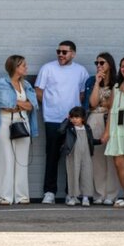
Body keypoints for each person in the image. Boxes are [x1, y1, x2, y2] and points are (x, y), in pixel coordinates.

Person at [34, 40, 90, 204]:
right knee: (52, 155)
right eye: (58, 51)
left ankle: (71, 193)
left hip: (73, 122)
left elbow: (82, 94)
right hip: (52, 119)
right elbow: (38, 91)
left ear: (73, 54)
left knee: (73, 157)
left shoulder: (81, 71)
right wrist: (50, 105)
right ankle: (49, 192)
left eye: (64, 52)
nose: (60, 54)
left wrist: (75, 115)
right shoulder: (47, 68)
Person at [0, 55, 39, 205]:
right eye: (23, 65)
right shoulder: (1, 83)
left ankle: (21, 196)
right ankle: (5, 196)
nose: (26, 68)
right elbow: (5, 104)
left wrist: (19, 104)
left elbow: (32, 105)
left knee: (22, 160)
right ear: (15, 67)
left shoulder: (26, 84)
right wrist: (22, 103)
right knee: (6, 159)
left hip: (23, 121)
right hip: (5, 121)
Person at [85, 53, 120, 205]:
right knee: (97, 158)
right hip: (95, 118)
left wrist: (106, 104)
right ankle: (99, 193)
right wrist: (97, 83)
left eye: (102, 63)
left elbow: (113, 105)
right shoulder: (92, 81)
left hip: (111, 119)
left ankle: (111, 194)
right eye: (96, 63)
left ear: (109, 64)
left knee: (111, 158)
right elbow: (92, 103)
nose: (98, 65)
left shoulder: (117, 82)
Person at [102, 56, 124, 208]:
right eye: (123, 66)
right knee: (118, 163)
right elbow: (111, 110)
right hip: (117, 128)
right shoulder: (116, 87)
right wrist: (107, 131)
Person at [60, 107, 97, 206]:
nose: (74, 119)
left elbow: (91, 140)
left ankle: (85, 197)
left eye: (77, 117)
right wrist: (67, 120)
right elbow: (60, 131)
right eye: (72, 117)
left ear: (83, 118)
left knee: (87, 174)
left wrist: (100, 141)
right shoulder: (69, 128)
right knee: (73, 174)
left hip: (86, 154)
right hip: (72, 154)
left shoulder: (87, 128)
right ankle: (73, 197)